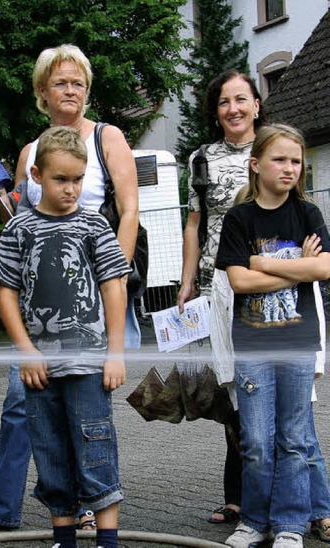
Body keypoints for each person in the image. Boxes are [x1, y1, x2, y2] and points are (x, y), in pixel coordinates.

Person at [0, 43, 139, 536]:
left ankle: (91, 512)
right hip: (38, 320)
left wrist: (113, 281)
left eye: (78, 82)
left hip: (89, 301)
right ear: (43, 91)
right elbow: (21, 222)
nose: (71, 90)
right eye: (61, 82)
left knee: (88, 419)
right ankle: (5, 507)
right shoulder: (30, 153)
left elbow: (128, 211)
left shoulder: (107, 138)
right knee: (25, 406)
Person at [0, 126, 131, 548]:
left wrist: (116, 353)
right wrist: (26, 351)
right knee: (49, 452)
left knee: (96, 448)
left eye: (77, 180)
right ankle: (63, 538)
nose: (70, 189)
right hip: (39, 369)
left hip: (89, 364)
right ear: (36, 175)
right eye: (60, 179)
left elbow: (113, 286)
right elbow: (6, 291)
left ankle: (108, 541)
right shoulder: (18, 229)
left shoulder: (95, 226)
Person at [216, 123, 330, 548]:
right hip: (253, 348)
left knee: (295, 440)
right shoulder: (239, 218)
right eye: (279, 159)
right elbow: (238, 282)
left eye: (296, 161)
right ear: (256, 164)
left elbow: (323, 269)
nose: (289, 169)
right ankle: (254, 521)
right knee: (257, 442)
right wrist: (294, 266)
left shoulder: (307, 214)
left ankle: (290, 524)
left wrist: (262, 264)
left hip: (299, 345)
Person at [177, 69, 266, 525]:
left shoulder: (273, 149)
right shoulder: (201, 159)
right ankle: (239, 494)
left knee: (268, 390)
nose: (233, 109)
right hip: (219, 289)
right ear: (216, 112)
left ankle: (283, 496)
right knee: (230, 393)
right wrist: (188, 280)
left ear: (256, 104)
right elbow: (194, 224)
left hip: (269, 284)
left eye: (241, 99)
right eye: (224, 102)